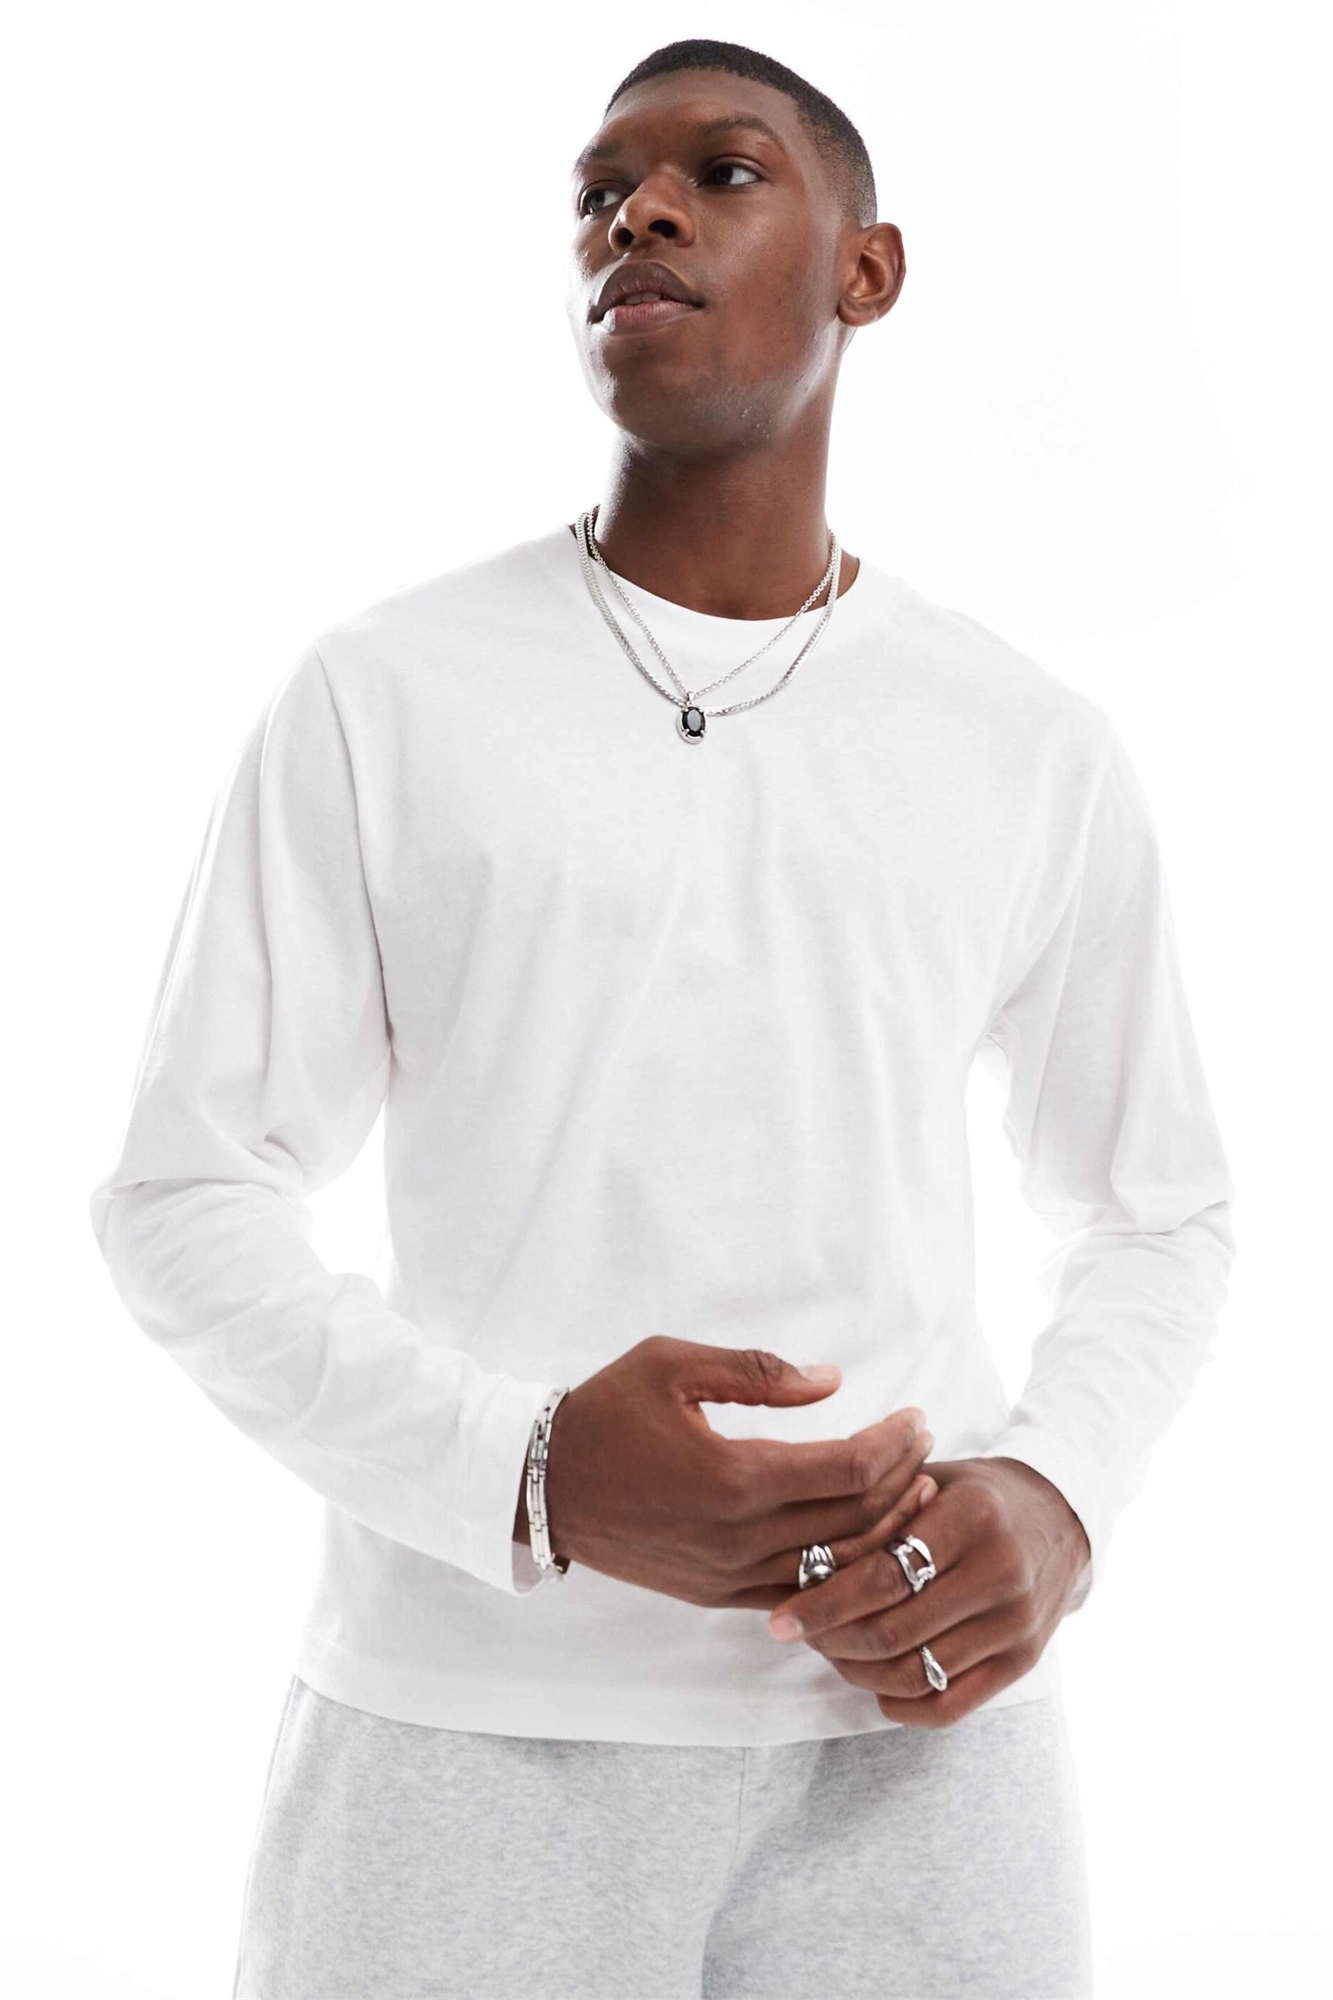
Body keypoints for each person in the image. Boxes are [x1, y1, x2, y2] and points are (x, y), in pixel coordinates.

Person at [88, 35, 1236, 2000]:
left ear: (867, 269)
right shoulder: (386, 695)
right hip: (463, 1736)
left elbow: (1158, 1208)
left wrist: (1056, 1493)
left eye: (722, 171)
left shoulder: (1024, 744)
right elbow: (183, 1194)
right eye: (600, 191)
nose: (638, 213)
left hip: (915, 1741)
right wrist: (526, 1469)